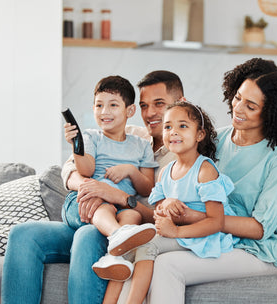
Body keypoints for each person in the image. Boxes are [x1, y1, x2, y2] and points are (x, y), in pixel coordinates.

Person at [117, 57, 277, 303]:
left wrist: (190, 217)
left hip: (260, 250)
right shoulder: (216, 139)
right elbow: (181, 179)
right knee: (136, 251)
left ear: (272, 113)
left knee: (167, 266)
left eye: (251, 106)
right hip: (215, 238)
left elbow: (260, 229)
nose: (238, 109)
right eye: (238, 97)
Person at [1, 70, 183, 304]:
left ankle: (118, 239)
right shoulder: (128, 133)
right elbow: (70, 171)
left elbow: (163, 214)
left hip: (127, 221)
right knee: (23, 234)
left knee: (89, 233)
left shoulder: (183, 156)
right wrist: (90, 187)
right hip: (89, 207)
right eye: (145, 105)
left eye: (159, 104)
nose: (150, 113)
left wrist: (119, 196)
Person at [101, 101, 238, 303]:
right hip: (176, 233)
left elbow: (216, 222)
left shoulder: (205, 170)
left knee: (147, 246)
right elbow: (158, 210)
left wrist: (176, 232)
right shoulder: (165, 172)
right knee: (125, 249)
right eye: (167, 127)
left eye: (182, 126)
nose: (173, 132)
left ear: (200, 134)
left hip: (202, 236)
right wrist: (165, 205)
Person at [61, 75, 158, 280]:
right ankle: (116, 235)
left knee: (134, 216)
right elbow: (86, 170)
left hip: (121, 204)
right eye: (99, 105)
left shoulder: (142, 145)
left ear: (129, 111)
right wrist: (75, 146)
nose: (104, 112)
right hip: (88, 198)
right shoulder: (91, 137)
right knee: (104, 207)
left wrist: (131, 170)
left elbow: (147, 189)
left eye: (113, 105)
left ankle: (113, 257)